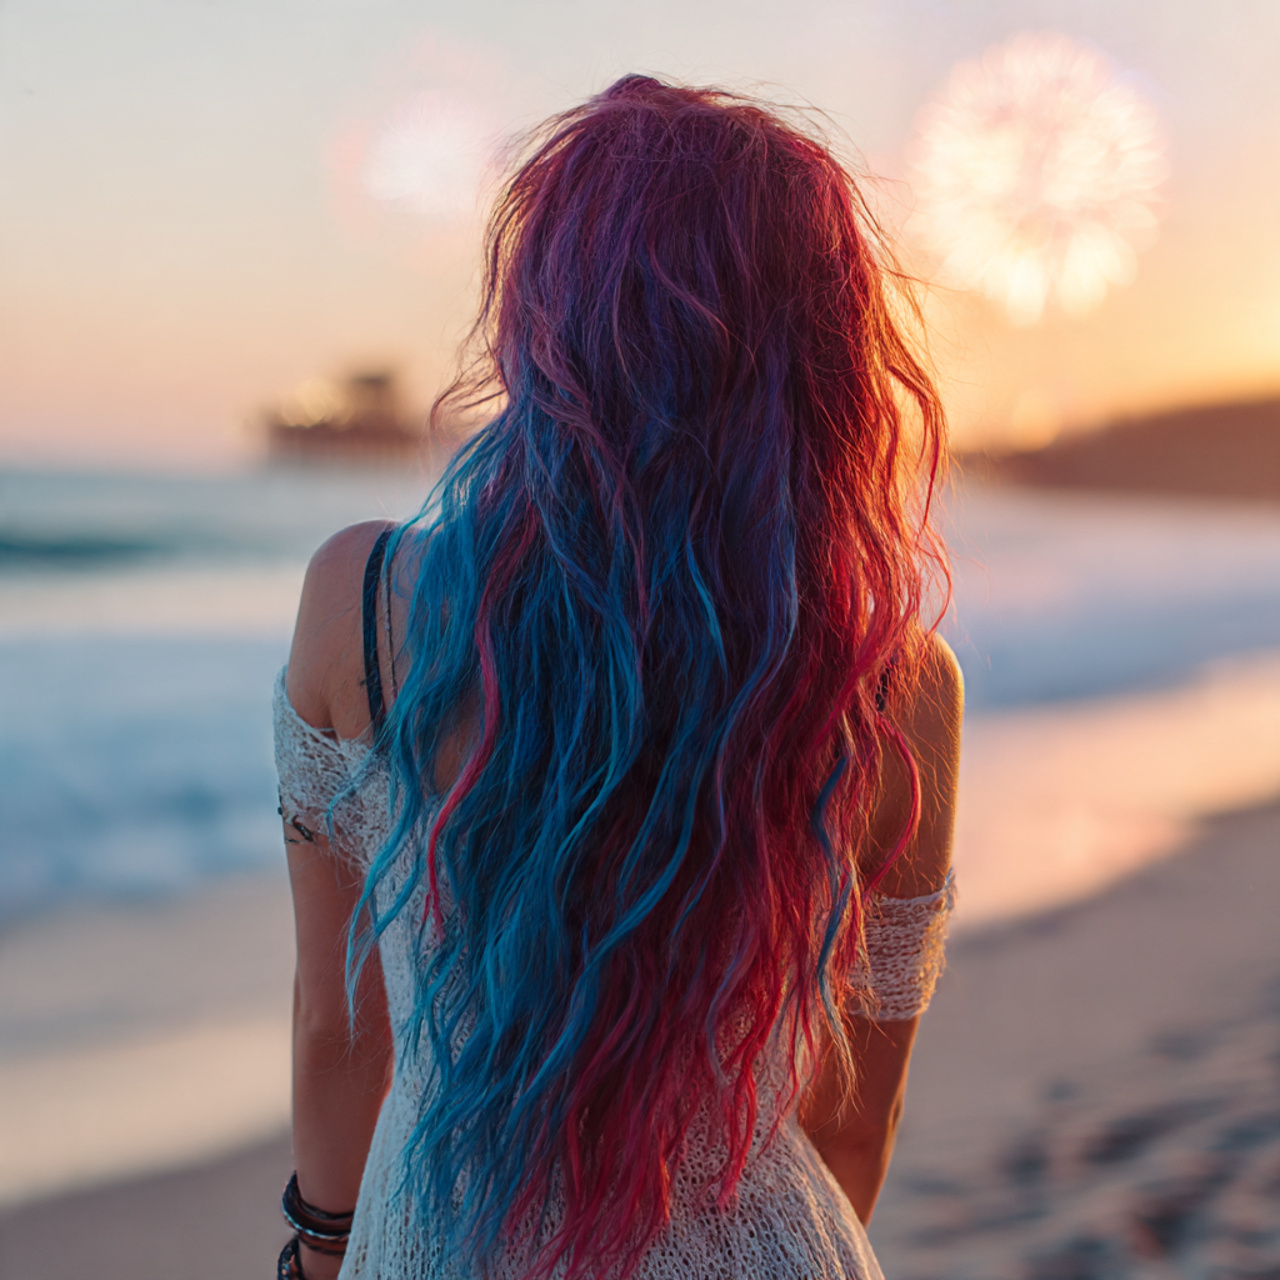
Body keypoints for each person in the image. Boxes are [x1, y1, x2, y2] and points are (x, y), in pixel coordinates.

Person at [274, 74, 962, 1280]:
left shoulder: (367, 605)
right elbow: (854, 1114)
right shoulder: (890, 684)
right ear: (821, 364)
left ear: (547, 323)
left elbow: (340, 1024)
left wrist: (318, 1256)